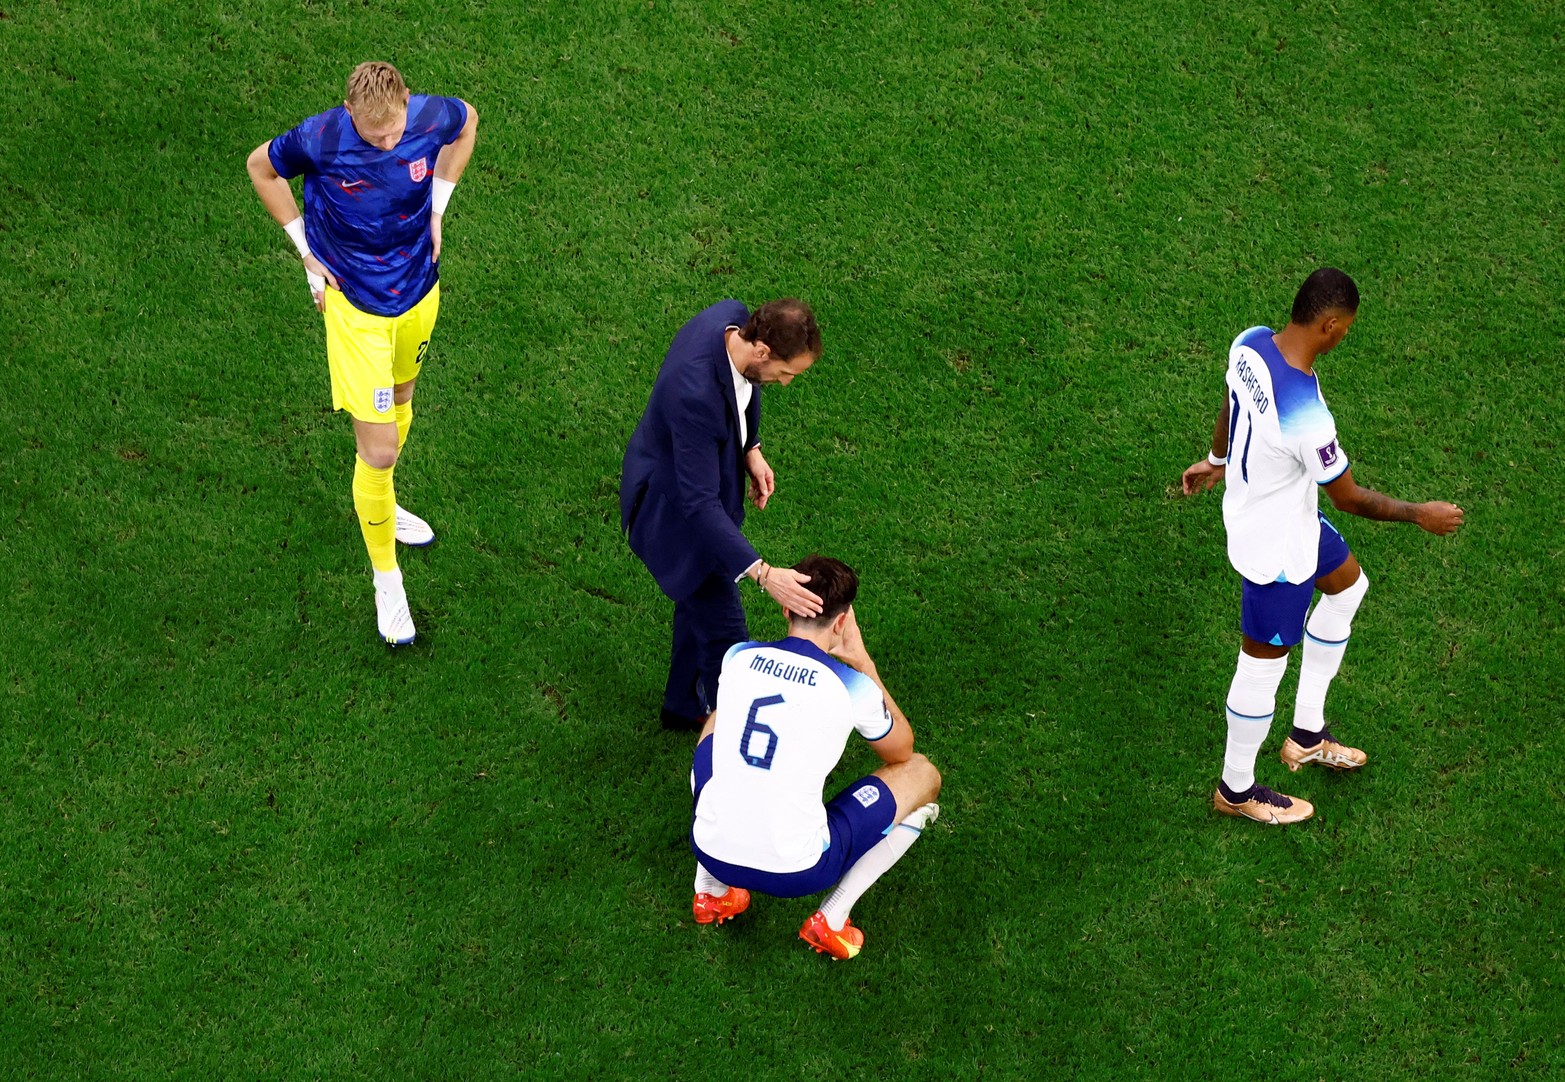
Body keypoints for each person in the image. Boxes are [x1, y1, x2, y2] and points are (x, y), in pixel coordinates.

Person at [1181, 268, 1464, 824]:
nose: (1345, 338)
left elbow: (1230, 403)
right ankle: (1235, 791)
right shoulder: (1308, 416)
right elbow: (1352, 499)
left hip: (1288, 519)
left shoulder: (1249, 343)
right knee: (1261, 665)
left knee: (1348, 588)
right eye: (1347, 330)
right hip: (1275, 552)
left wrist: (1216, 460)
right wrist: (1419, 515)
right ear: (1330, 325)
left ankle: (1307, 733)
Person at [246, 62, 478, 645]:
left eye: (395, 130)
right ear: (351, 115)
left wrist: (439, 207)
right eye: (375, 136)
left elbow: (469, 123)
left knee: (403, 403)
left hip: (419, 293)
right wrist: (304, 252)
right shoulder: (321, 137)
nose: (389, 142)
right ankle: (387, 580)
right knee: (378, 449)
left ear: (405, 101)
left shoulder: (429, 115)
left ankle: (385, 503)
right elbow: (261, 168)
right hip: (354, 310)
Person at [687, 555, 942, 961]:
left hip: (707, 846)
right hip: (798, 870)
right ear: (842, 623)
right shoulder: (850, 685)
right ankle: (832, 919)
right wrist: (861, 660)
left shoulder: (739, 656)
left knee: (721, 719)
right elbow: (902, 750)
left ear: (787, 608)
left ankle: (711, 891)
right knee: (923, 775)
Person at [621, 298, 826, 731]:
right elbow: (697, 504)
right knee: (728, 642)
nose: (786, 384)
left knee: (696, 611)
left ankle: (681, 707)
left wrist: (750, 447)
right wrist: (767, 575)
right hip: (673, 519)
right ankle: (730, 742)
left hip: (696, 500)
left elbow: (748, 389)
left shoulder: (732, 319)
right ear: (764, 352)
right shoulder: (694, 395)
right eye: (787, 374)